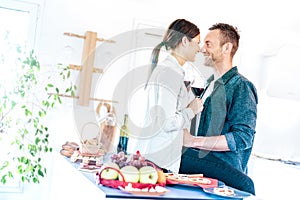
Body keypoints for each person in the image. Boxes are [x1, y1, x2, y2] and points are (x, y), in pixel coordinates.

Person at [180, 23, 258, 194]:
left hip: (225, 173)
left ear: (227, 47)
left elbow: (243, 137)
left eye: (208, 44)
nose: (202, 49)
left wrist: (193, 141)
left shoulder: (241, 86)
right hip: (202, 171)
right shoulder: (209, 84)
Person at [135, 19, 204, 173]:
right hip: (160, 161)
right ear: (185, 41)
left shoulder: (168, 69)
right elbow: (167, 123)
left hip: (154, 157)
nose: (199, 48)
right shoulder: (170, 72)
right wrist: (191, 110)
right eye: (197, 42)